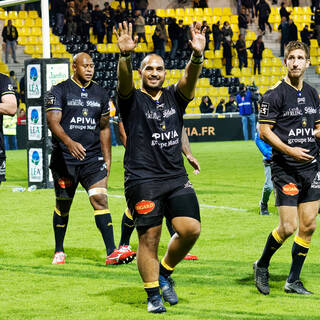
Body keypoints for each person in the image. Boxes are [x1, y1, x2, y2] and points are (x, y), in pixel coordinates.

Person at [115, 21, 204, 313]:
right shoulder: (131, 100)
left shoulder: (173, 97)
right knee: (149, 237)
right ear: (141, 73)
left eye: (159, 69)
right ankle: (153, 295)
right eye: (149, 69)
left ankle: (165, 272)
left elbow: (189, 81)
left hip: (175, 177)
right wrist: (125, 57)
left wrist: (197, 56)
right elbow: (123, 84)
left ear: (165, 73)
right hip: (143, 179)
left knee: (190, 229)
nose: (154, 73)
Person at [45, 52, 136, 266]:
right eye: (85, 65)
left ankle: (111, 252)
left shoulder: (101, 94)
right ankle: (59, 249)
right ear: (74, 67)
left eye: (92, 66)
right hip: (64, 160)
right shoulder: (59, 91)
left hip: (92, 159)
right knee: (63, 204)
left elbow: (104, 128)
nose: (89, 69)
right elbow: (53, 122)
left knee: (100, 199)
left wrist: (107, 159)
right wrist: (69, 143)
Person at [253, 41, 320, 296]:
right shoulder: (274, 94)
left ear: (307, 63)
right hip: (285, 168)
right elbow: (263, 130)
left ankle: (293, 280)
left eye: (300, 58)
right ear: (285, 62)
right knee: (289, 227)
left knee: (309, 226)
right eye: (291, 57)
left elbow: (316, 129)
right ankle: (262, 264)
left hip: (312, 169)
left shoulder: (313, 93)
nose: (295, 62)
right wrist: (290, 150)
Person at [117, 119, 200, 261]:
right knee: (139, 207)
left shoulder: (169, 102)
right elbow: (123, 128)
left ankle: (178, 248)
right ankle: (123, 244)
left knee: (171, 203)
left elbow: (178, 125)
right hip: (145, 167)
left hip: (168, 164)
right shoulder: (136, 100)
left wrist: (188, 153)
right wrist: (135, 155)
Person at [255, 124, 273, 215]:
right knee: (269, 186)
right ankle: (263, 204)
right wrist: (267, 153)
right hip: (270, 159)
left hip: (284, 158)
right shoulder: (267, 121)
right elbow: (258, 139)